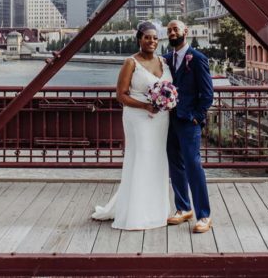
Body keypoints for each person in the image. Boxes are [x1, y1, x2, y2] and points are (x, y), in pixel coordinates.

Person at [91, 21, 173, 229]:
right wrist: (146, 106)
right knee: (142, 160)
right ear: (139, 39)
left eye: (155, 37)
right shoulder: (130, 63)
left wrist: (167, 101)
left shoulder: (164, 61)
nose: (152, 41)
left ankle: (156, 211)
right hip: (138, 118)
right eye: (147, 37)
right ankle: (137, 214)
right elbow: (121, 95)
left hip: (161, 120)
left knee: (157, 161)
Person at [164, 20, 214, 233]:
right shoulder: (166, 59)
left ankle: (204, 215)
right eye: (169, 30)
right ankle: (183, 208)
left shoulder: (198, 59)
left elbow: (208, 94)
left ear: (186, 32)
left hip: (189, 122)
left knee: (194, 166)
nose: (172, 32)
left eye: (175, 29)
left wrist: (197, 116)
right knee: (175, 165)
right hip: (169, 121)